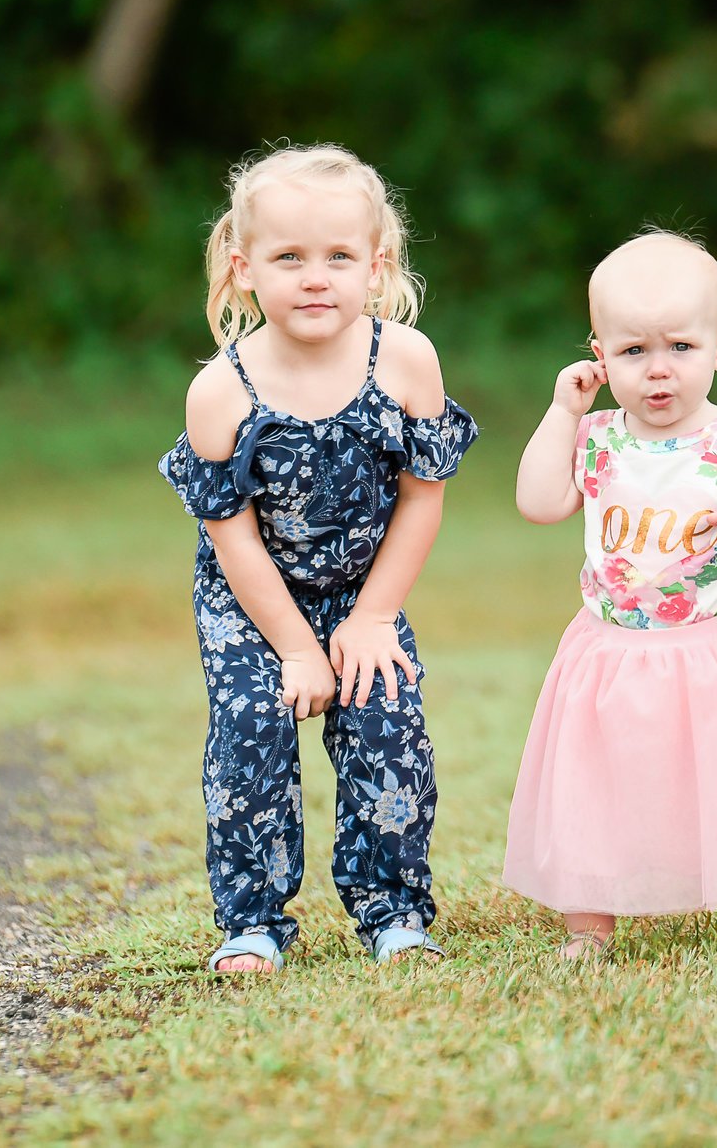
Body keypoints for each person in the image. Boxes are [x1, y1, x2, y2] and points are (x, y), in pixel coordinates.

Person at [158, 144, 477, 974]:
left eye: (338, 257)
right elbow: (231, 536)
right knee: (251, 730)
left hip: (362, 589)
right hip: (253, 597)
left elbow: (423, 493)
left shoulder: (405, 361)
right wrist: (296, 648)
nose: (314, 277)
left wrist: (371, 617)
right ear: (243, 267)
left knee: (388, 723)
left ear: (377, 266)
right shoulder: (221, 390)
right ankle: (254, 921)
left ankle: (393, 910)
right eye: (288, 257)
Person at [503, 229, 717, 964]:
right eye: (632, 352)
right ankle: (589, 927)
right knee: (597, 784)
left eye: (680, 349)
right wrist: (561, 413)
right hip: (613, 648)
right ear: (600, 356)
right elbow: (537, 500)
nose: (659, 372)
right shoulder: (594, 438)